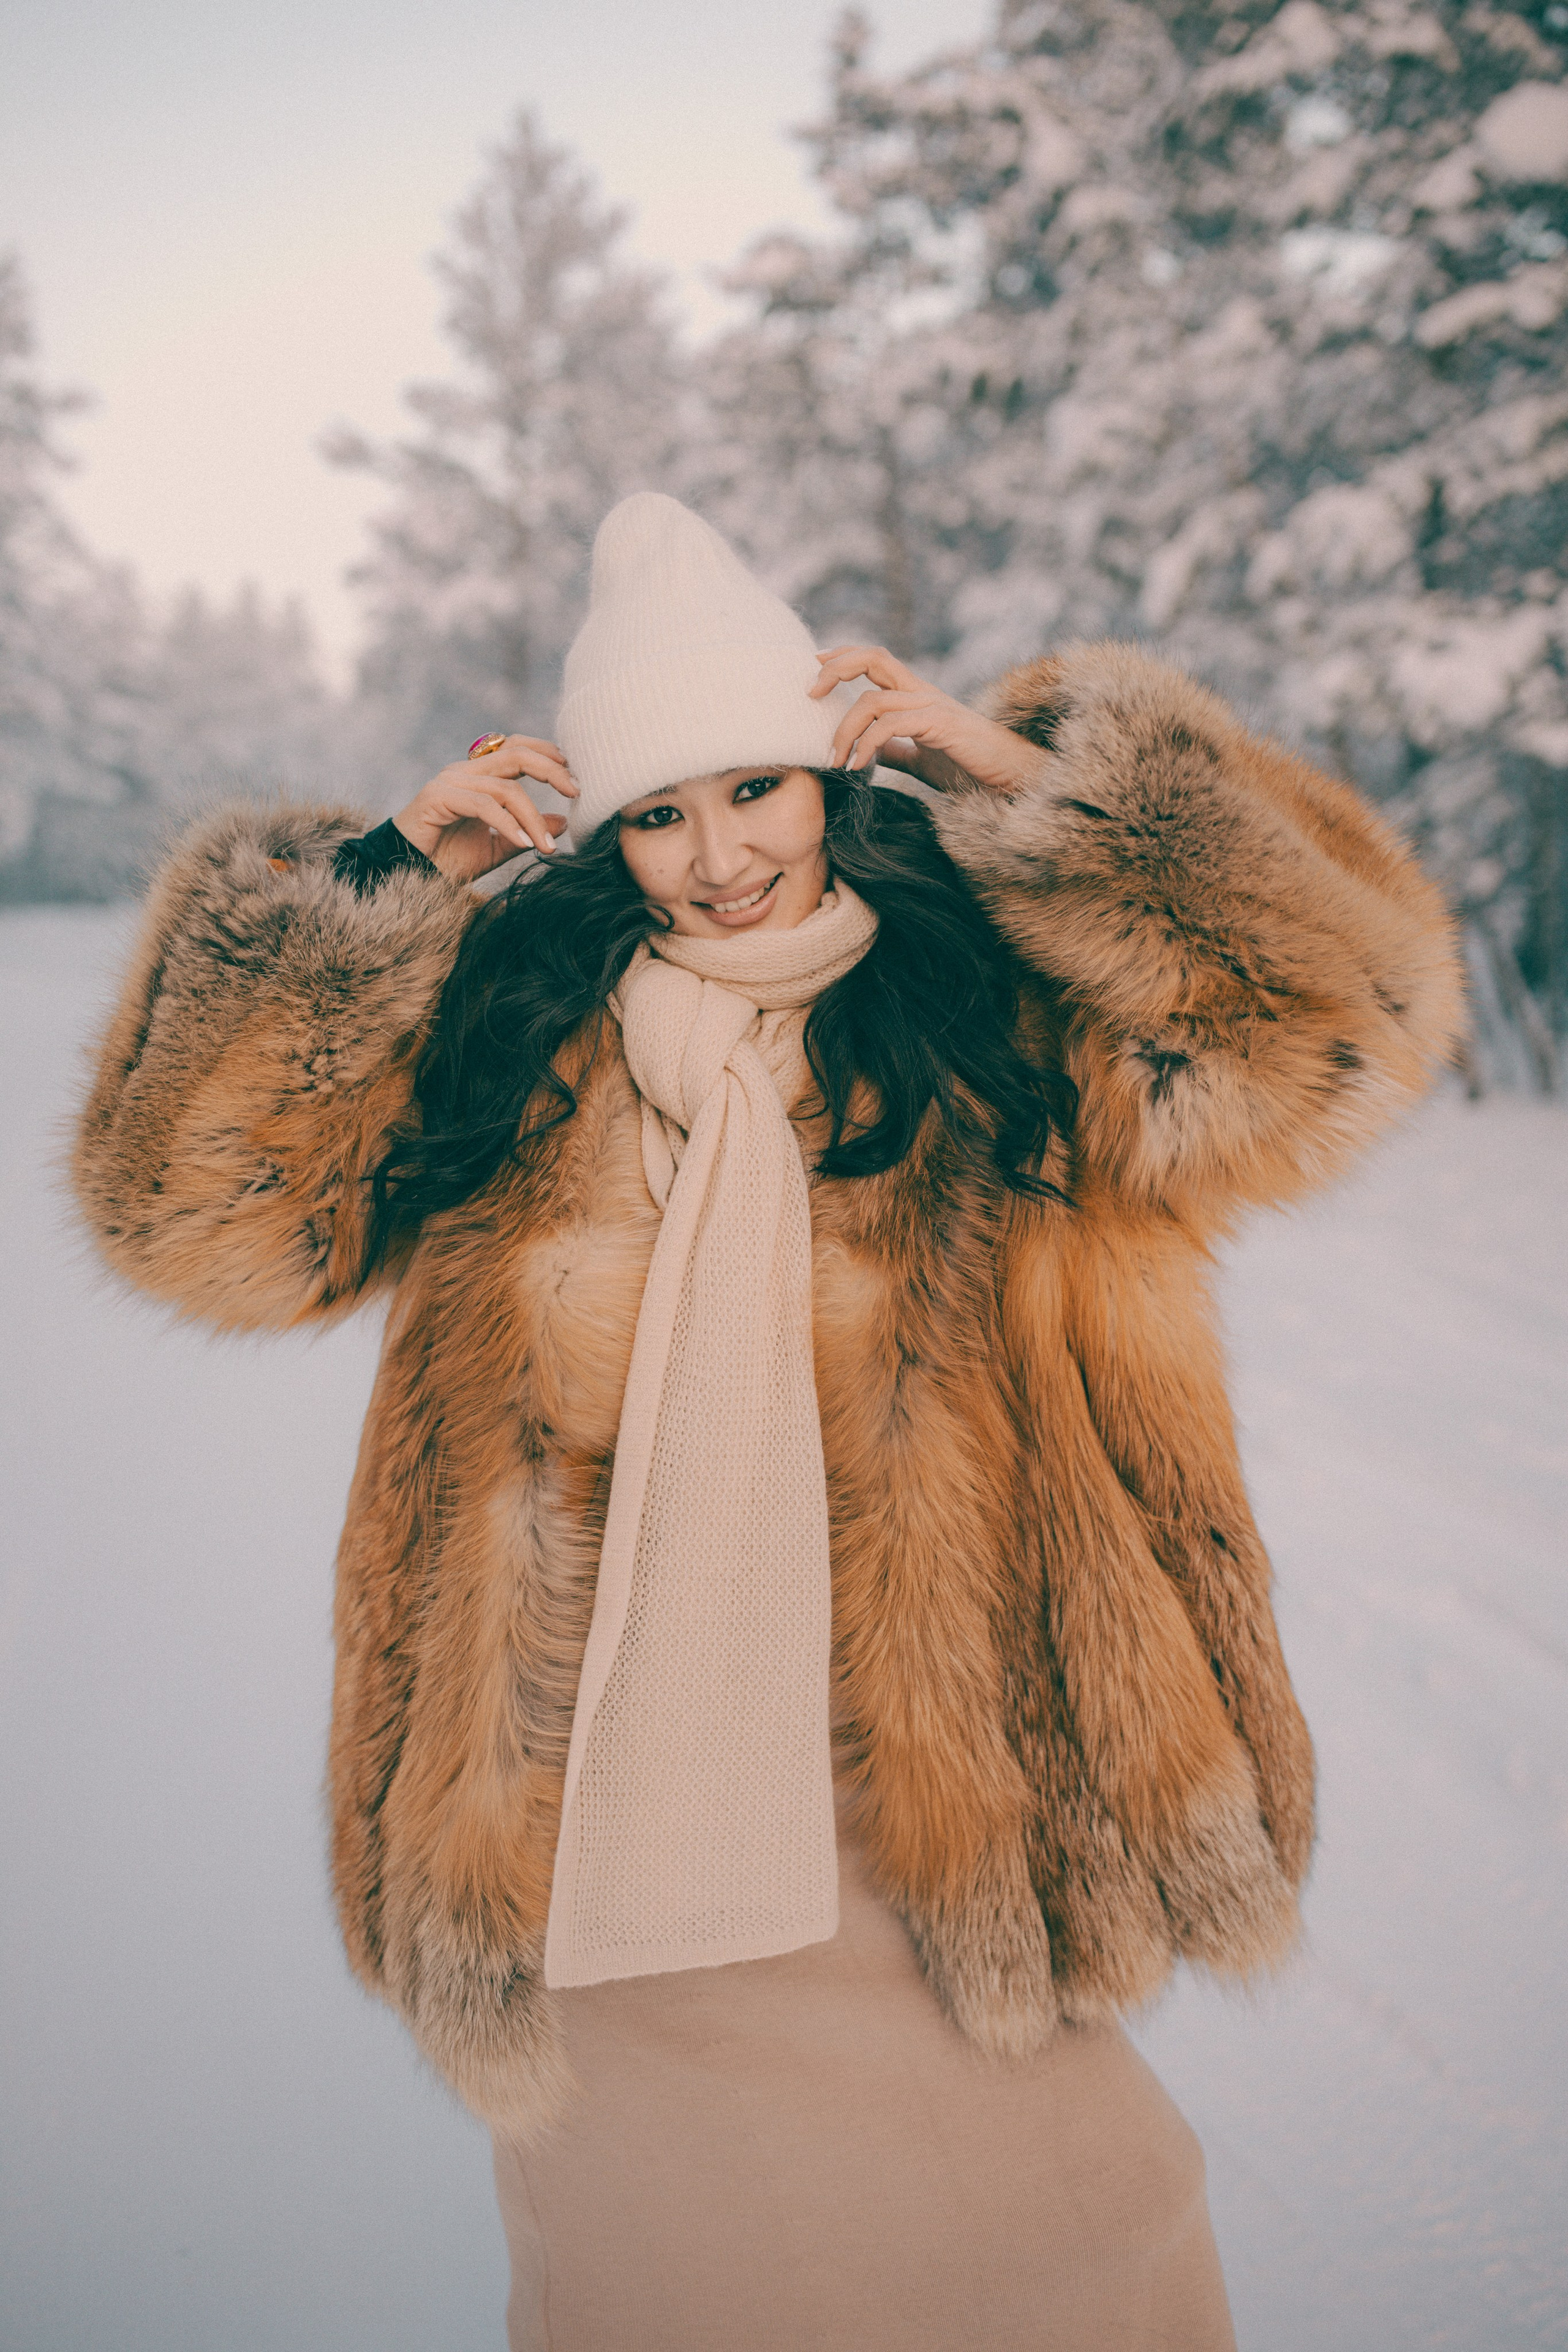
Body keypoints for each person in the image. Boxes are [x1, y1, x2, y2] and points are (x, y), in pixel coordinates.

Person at [72, 493, 1463, 2350]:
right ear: (602, 832)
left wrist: (1028, 777)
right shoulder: (513, 1051)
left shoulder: (1003, 1032)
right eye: (658, 812)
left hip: (944, 1805)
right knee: (683, 2283)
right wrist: (382, 879)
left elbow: (1343, 1024)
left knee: (1074, 2245)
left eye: (757, 791)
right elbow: (194, 1219)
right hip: (600, 1827)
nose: (719, 859)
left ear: (833, 780)